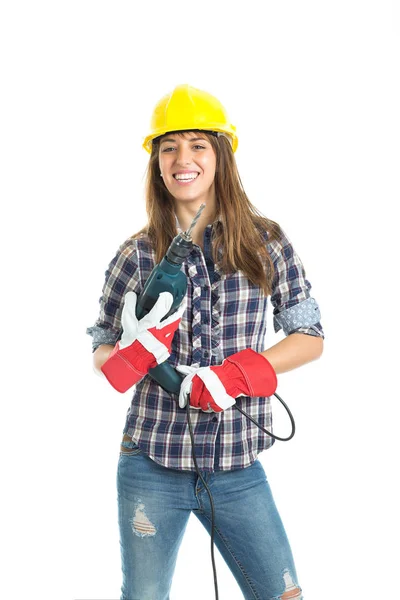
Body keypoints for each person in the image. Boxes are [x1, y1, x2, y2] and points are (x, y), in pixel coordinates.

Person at [86, 83, 324, 600]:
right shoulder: (135, 255)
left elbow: (309, 337)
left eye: (197, 144)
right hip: (149, 461)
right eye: (168, 147)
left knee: (282, 594)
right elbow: (101, 348)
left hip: (237, 464)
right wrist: (130, 352)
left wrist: (234, 375)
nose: (181, 158)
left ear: (221, 155)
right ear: (156, 163)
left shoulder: (266, 242)